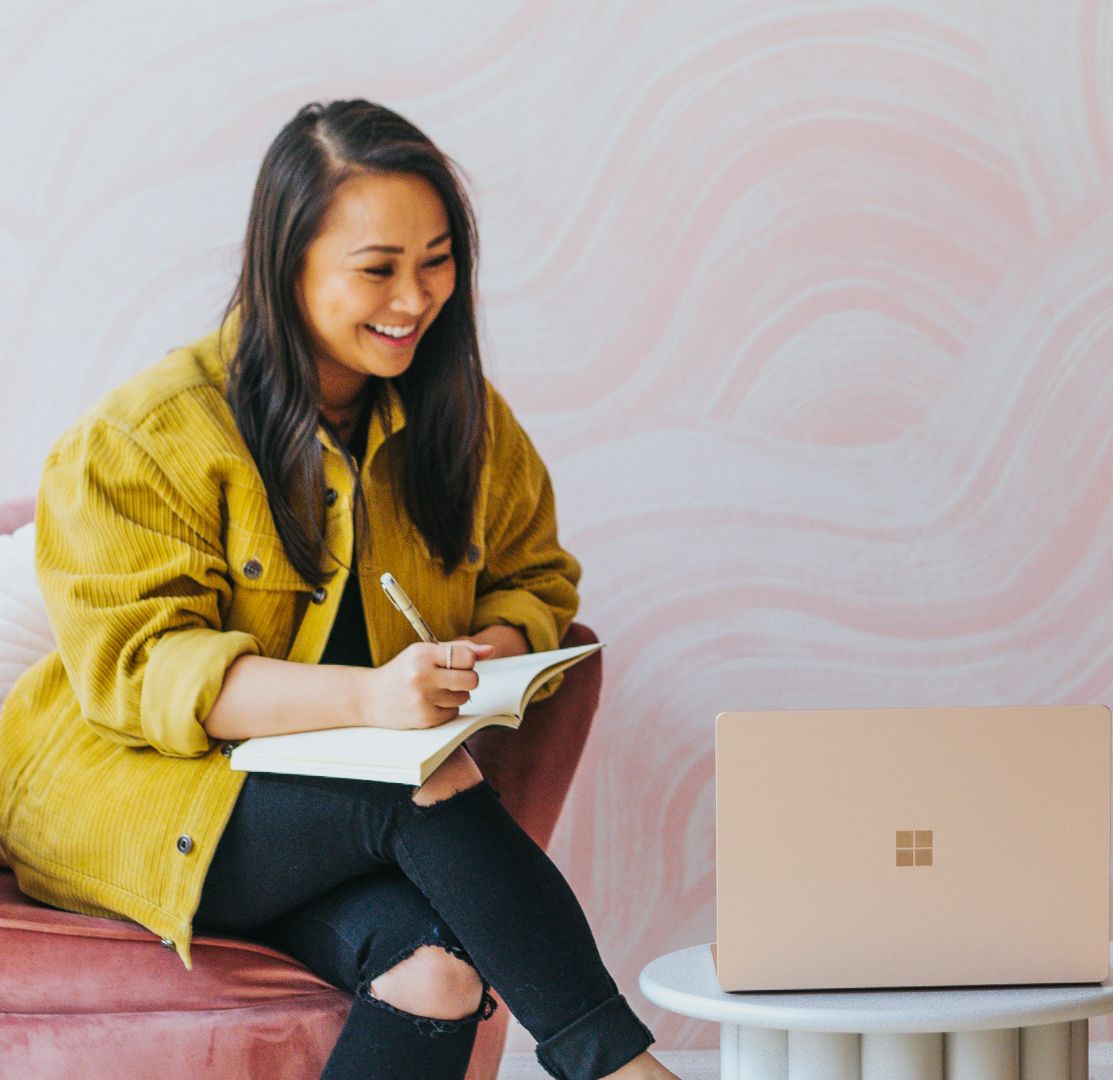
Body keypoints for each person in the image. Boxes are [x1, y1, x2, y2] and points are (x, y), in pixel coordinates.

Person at [0, 101, 679, 1080]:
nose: (415, 297)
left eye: (437, 261)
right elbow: (148, 672)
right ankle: (620, 1067)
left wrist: (490, 651)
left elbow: (535, 579)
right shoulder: (145, 436)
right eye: (378, 269)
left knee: (437, 975)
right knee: (424, 780)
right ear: (288, 268)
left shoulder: (463, 422)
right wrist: (372, 699)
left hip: (331, 824)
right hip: (137, 797)